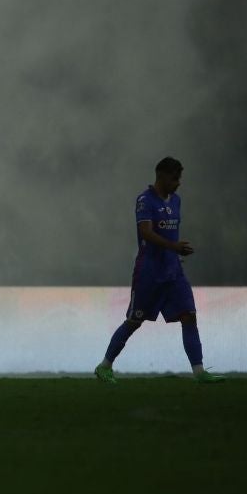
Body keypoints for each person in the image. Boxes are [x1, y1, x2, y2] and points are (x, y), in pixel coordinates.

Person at [95, 157, 224, 384]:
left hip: (173, 271)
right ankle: (104, 366)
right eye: (175, 178)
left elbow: (169, 234)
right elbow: (145, 232)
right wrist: (174, 247)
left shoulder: (176, 201)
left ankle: (199, 372)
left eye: (179, 178)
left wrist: (174, 254)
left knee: (189, 316)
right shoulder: (145, 201)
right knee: (134, 321)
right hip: (149, 272)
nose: (178, 183)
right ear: (161, 175)